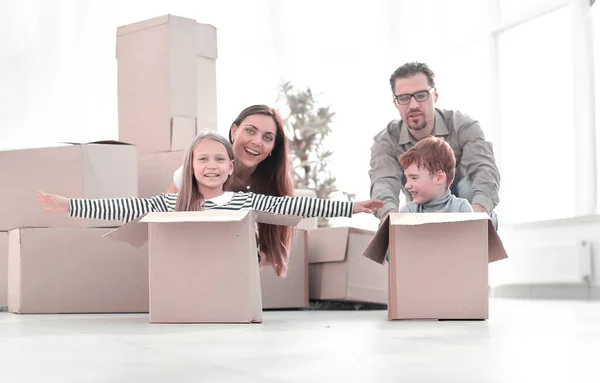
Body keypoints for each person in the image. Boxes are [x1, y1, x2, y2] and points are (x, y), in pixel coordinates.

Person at [37, 132, 383, 277]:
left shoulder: (243, 200)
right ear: (191, 166)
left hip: (232, 275)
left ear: (231, 167)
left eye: (220, 159)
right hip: (189, 274)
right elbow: (124, 207)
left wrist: (351, 207)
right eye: (203, 159)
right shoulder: (173, 203)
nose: (212, 165)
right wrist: (68, 204)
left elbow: (296, 208)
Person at [168, 105, 295, 276]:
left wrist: (253, 257)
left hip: (235, 274)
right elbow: (162, 223)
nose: (257, 142)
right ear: (234, 131)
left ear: (273, 147)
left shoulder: (272, 185)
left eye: (267, 137)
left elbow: (274, 252)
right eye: (250, 131)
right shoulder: (198, 171)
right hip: (189, 264)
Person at [369, 62, 500, 228]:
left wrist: (476, 218)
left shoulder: (464, 127)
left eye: (421, 95)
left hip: (468, 213)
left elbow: (485, 170)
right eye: (404, 98)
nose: (413, 105)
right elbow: (383, 182)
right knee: (390, 221)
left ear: (435, 95)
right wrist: (392, 222)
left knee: (469, 187)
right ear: (395, 102)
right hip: (420, 217)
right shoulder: (386, 140)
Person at [398, 136, 472, 213]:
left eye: (414, 178)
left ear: (439, 178)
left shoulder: (461, 209)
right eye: (407, 178)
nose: (407, 186)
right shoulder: (408, 212)